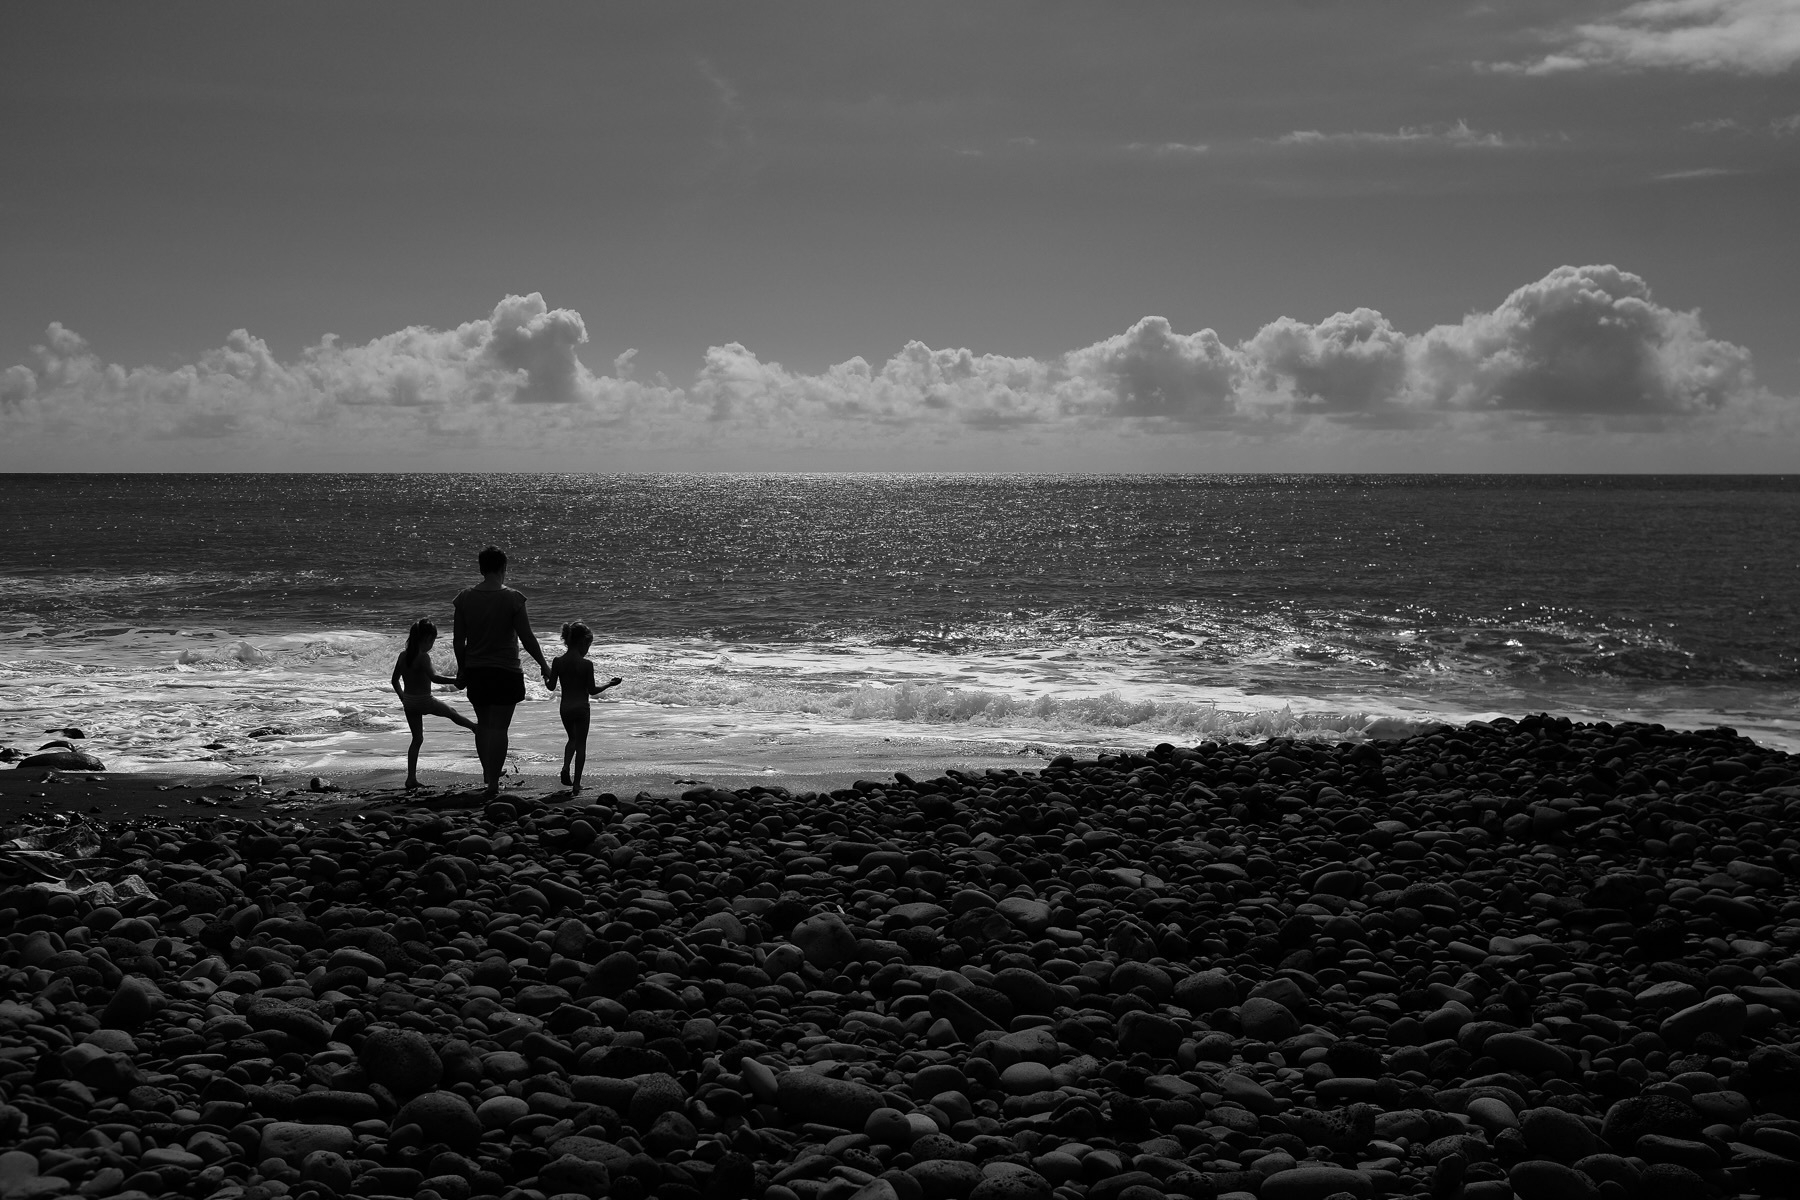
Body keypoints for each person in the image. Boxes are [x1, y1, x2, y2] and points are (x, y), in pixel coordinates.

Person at [452, 546, 552, 797]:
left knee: (484, 725)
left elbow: (458, 641)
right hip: (506, 670)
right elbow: (527, 638)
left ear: (481, 569)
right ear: (503, 568)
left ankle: (488, 775)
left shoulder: (464, 598)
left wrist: (462, 668)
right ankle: (493, 784)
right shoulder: (513, 598)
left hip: (477, 670)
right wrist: (543, 664)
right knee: (499, 729)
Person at [390, 618, 479, 790]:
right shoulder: (423, 657)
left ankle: (411, 778)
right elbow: (435, 678)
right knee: (452, 713)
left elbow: (394, 681)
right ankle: (474, 728)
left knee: (417, 739)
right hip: (424, 700)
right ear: (426, 639)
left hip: (409, 701)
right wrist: (457, 681)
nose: (432, 644)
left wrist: (402, 698)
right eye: (432, 640)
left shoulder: (403, 655)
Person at [544, 620, 622, 793]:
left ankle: (565, 767)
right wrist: (609, 684)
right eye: (588, 645)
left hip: (565, 708)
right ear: (582, 643)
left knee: (571, 738)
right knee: (581, 745)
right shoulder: (586, 664)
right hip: (581, 708)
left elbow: (551, 686)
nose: (588, 649)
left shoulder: (558, 661)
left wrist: (545, 677)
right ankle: (577, 784)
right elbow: (592, 690)